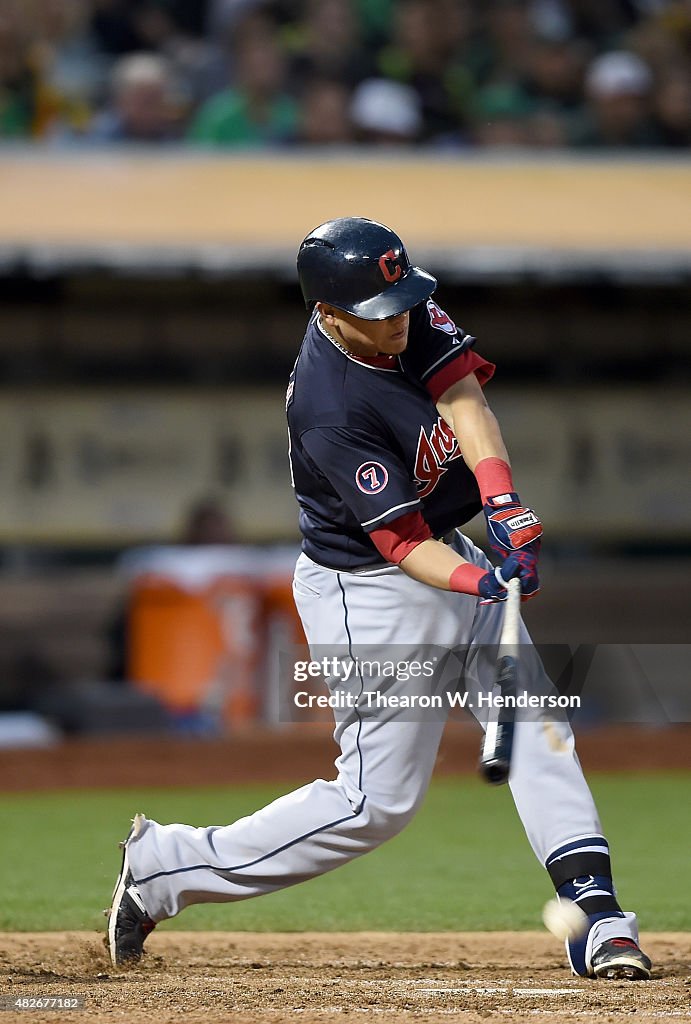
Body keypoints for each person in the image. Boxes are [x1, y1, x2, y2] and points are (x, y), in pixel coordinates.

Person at [106, 217, 652, 982]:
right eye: (378, 314)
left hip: (444, 550)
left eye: (402, 304)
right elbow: (398, 545)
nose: (397, 321)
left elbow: (462, 397)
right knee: (374, 804)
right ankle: (167, 867)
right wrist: (479, 579)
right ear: (328, 314)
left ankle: (596, 917)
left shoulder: (398, 307)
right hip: (369, 594)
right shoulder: (327, 404)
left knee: (533, 725)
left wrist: (502, 502)